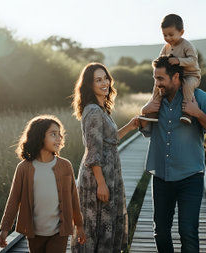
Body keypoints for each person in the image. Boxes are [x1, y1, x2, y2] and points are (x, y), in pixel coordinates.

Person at [139, 56, 206, 253]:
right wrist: (144, 113)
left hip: (190, 178)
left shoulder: (198, 97)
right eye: (155, 78)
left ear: (175, 76)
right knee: (160, 232)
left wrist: (197, 113)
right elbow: (147, 132)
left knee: (188, 232)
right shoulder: (156, 100)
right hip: (160, 177)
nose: (156, 83)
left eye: (160, 79)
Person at [70, 63, 140, 252]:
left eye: (106, 78)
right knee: (96, 226)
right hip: (97, 177)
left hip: (109, 173)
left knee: (105, 224)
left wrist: (131, 126)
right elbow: (93, 150)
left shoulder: (100, 109)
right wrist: (101, 183)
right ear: (89, 85)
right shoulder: (93, 111)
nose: (104, 83)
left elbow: (111, 139)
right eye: (98, 80)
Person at [0, 115, 86, 253]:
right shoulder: (24, 168)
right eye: (53, 134)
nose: (59, 138)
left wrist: (79, 226)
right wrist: (4, 229)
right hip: (34, 233)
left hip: (59, 232)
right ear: (39, 137)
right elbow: (14, 200)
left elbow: (74, 198)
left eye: (59, 134)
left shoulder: (65, 165)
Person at [146, 13, 201, 125]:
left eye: (171, 35)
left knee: (188, 85)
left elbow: (193, 60)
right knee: (158, 85)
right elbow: (161, 59)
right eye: (165, 35)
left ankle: (187, 112)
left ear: (181, 32)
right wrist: (156, 63)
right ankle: (154, 109)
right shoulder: (166, 47)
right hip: (174, 77)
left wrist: (179, 61)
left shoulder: (187, 45)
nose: (168, 38)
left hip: (191, 75)